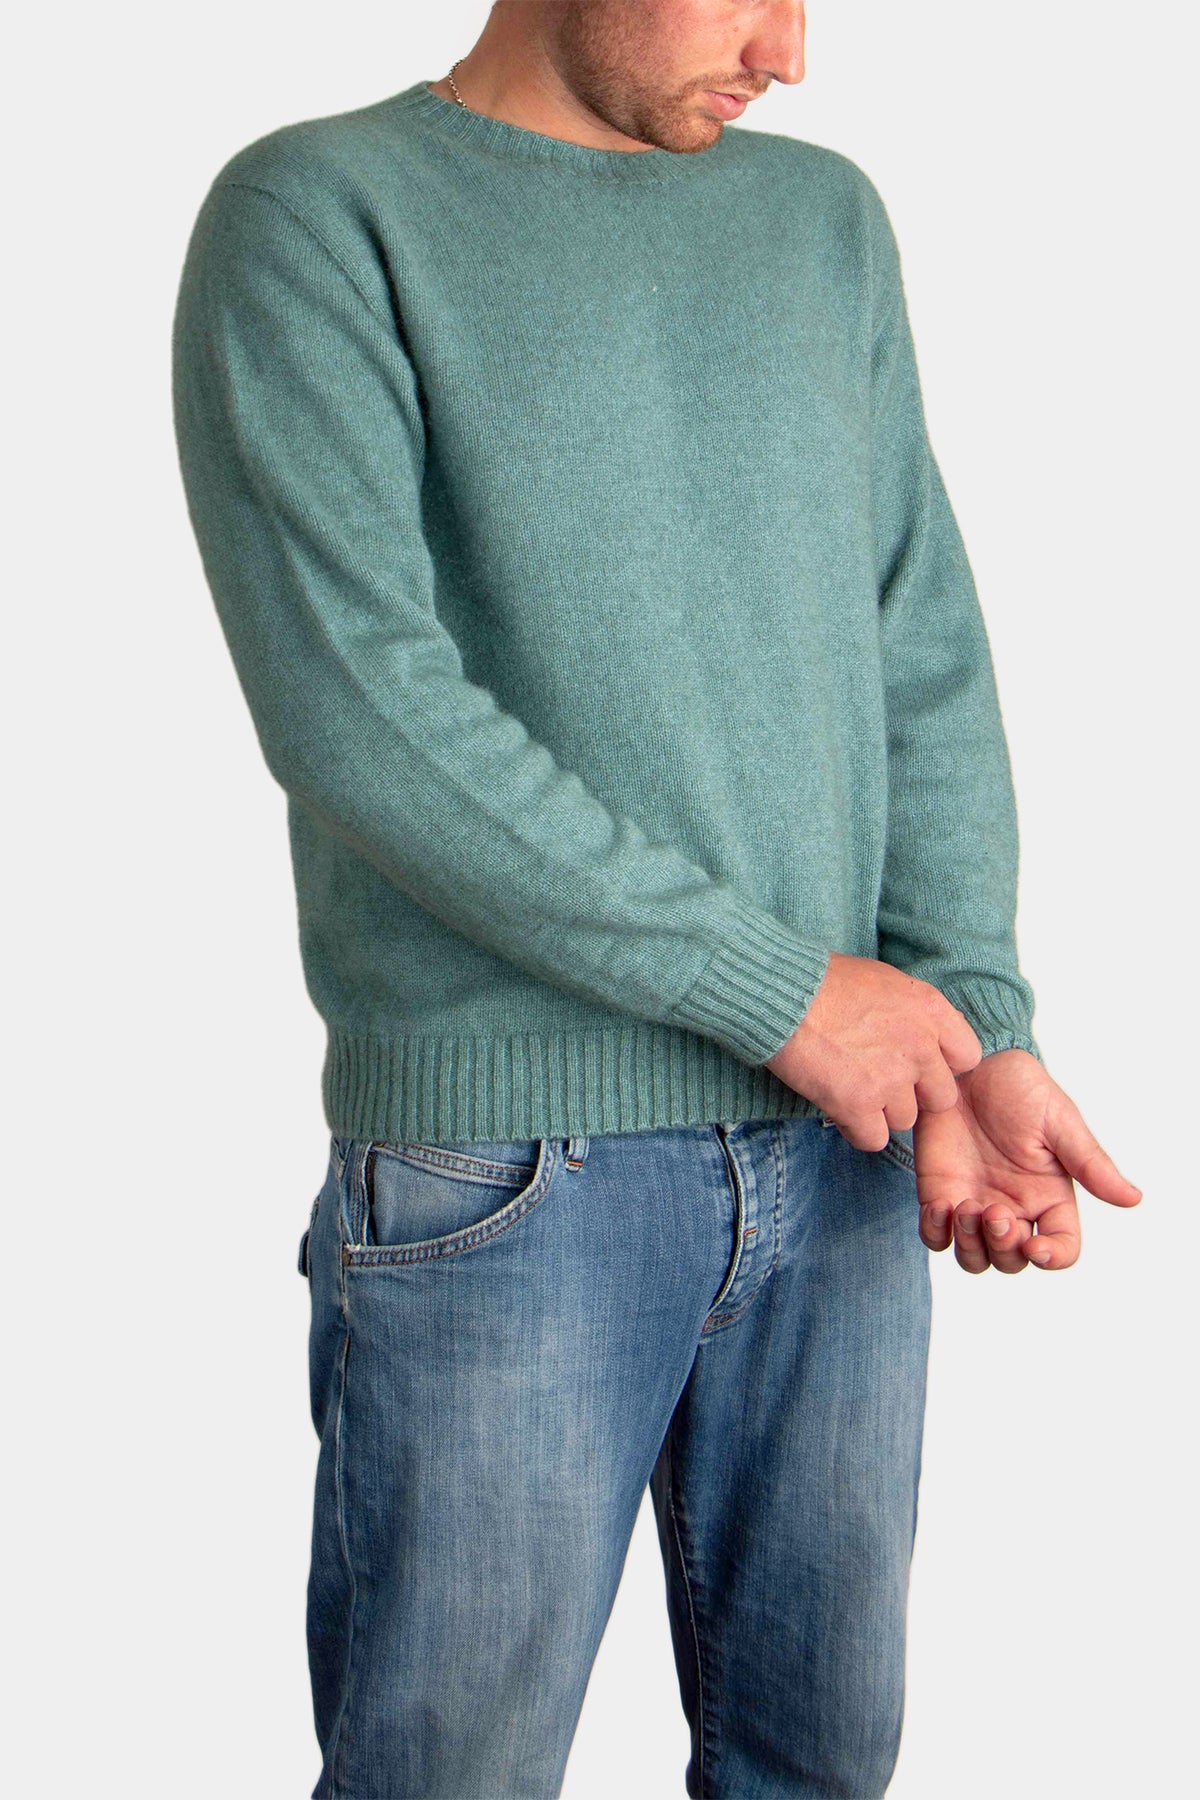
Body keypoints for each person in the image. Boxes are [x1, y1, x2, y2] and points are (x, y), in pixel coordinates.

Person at [170, 3, 1142, 1795]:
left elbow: (914, 645)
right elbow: (363, 713)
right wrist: (783, 992)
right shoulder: (320, 215)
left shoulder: (822, 221)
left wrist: (973, 1026)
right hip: (510, 1166)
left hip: (852, 1155)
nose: (790, 49)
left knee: (818, 1770)